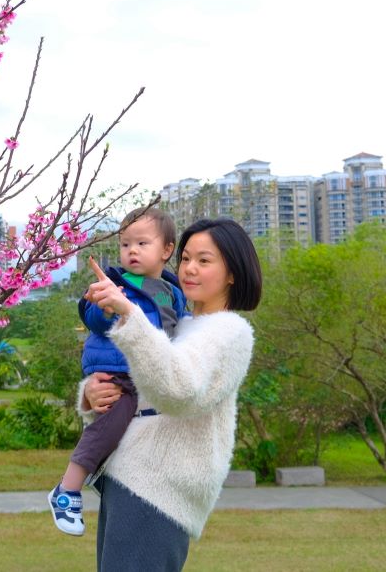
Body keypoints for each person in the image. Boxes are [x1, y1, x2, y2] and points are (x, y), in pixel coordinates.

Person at [80, 217, 262, 570]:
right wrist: (91, 394)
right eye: (186, 258)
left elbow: (177, 389)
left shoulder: (229, 331)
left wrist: (128, 314)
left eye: (204, 261)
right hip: (127, 475)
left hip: (160, 488)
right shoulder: (181, 324)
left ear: (232, 274)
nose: (190, 269)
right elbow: (141, 387)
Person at [50, 207, 189, 537]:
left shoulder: (173, 292)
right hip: (118, 371)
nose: (132, 251)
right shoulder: (114, 284)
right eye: (126, 244)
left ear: (167, 250)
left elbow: (174, 333)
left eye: (142, 243)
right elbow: (94, 321)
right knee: (113, 421)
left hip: (149, 377)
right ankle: (67, 488)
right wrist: (106, 305)